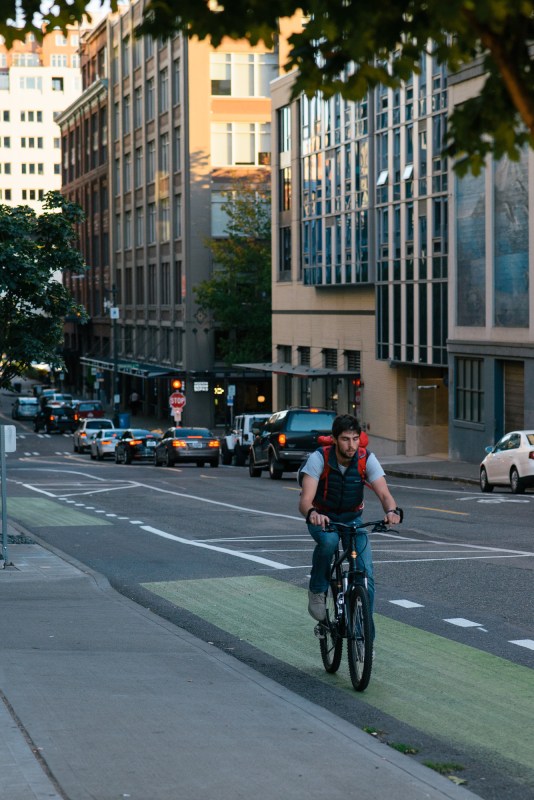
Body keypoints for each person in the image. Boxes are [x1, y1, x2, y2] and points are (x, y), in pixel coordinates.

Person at [298, 413, 401, 632]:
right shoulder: (320, 458)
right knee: (328, 542)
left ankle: (365, 635)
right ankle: (317, 591)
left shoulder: (366, 458)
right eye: (345, 439)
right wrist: (313, 513)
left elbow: (384, 494)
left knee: (366, 575)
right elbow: (305, 501)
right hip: (323, 517)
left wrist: (391, 511)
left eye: (355, 438)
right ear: (334, 439)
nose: (351, 444)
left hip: (352, 519)